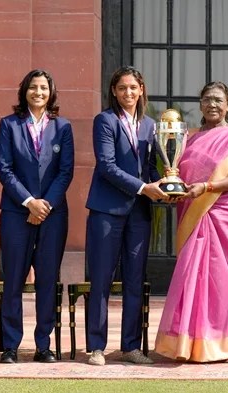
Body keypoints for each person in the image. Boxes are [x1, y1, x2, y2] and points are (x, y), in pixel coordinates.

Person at [155, 81, 228, 363]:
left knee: (223, 279)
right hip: (193, 213)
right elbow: (178, 176)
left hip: (226, 217)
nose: (212, 105)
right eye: (207, 99)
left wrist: (206, 187)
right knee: (192, 277)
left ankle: (227, 346)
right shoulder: (187, 139)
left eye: (218, 100)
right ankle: (188, 344)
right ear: (200, 105)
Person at [84, 66, 167, 366]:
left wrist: (168, 183)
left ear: (141, 89)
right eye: (122, 88)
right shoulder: (104, 121)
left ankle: (130, 346)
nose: (128, 93)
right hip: (107, 211)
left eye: (133, 87)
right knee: (102, 279)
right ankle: (96, 346)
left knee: (134, 279)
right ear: (114, 91)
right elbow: (106, 165)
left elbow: (154, 166)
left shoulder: (149, 125)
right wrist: (145, 187)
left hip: (139, 213)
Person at [0, 69, 74, 364]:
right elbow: (4, 169)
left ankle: (44, 345)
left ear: (51, 92)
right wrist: (30, 202)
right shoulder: (9, 125)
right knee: (13, 279)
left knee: (47, 280)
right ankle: (10, 346)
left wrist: (46, 205)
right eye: (33, 87)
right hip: (17, 213)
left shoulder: (63, 127)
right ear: (24, 91)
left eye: (43, 88)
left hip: (53, 216)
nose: (38, 92)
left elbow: (65, 171)